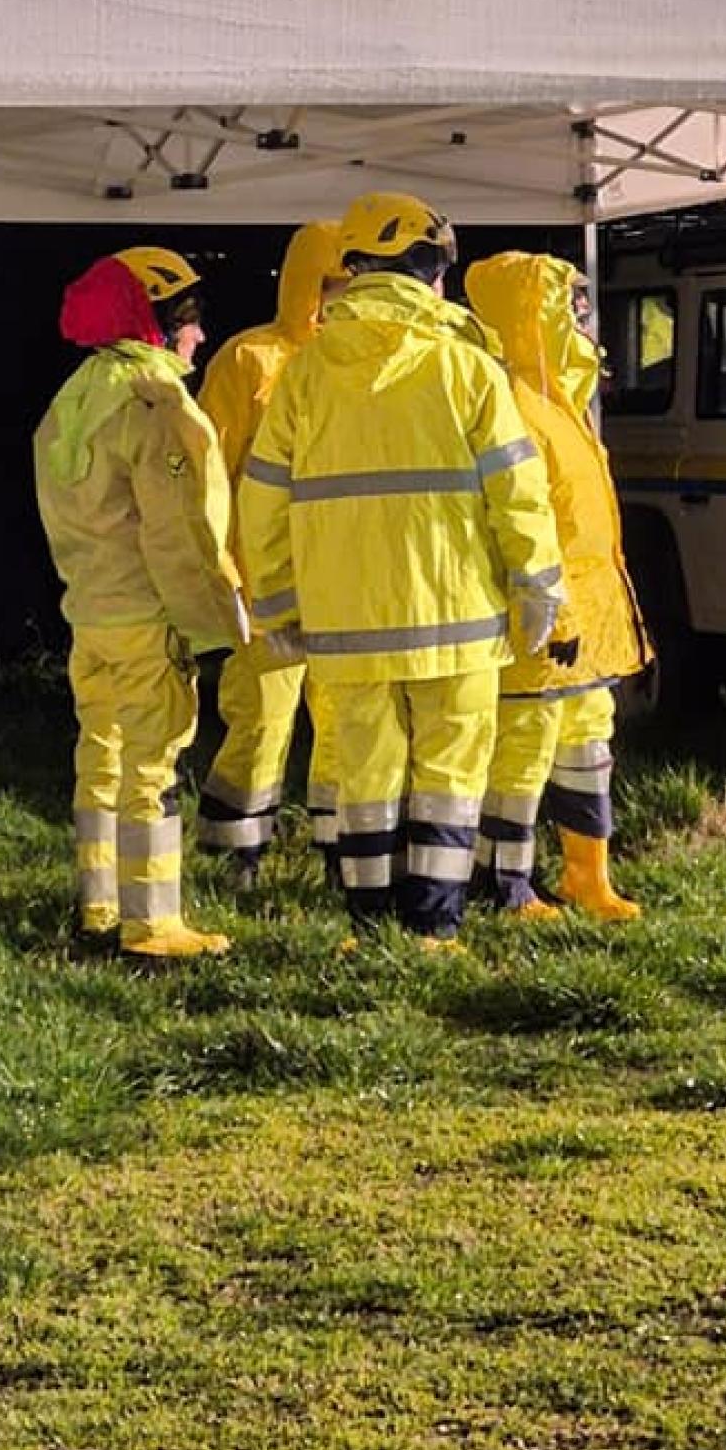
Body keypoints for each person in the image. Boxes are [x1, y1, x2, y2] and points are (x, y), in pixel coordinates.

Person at [237, 194, 564, 947]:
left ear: (355, 269)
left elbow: (264, 499)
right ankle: (432, 929)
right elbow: (519, 492)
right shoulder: (467, 366)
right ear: (430, 271)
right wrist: (538, 584)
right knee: (451, 773)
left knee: (366, 774)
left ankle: (368, 924)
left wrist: (279, 605)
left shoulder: (305, 371)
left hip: (345, 623)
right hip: (459, 620)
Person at [33, 245, 248, 960]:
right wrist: (213, 619)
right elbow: (180, 531)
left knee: (100, 758)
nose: (200, 335)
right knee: (151, 770)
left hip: (89, 616)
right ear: (157, 322)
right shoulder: (155, 404)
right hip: (147, 619)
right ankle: (152, 925)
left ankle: (98, 906)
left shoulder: (72, 398)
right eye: (190, 319)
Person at [465, 252, 652, 920]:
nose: (583, 319)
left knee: (587, 744)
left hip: (588, 622)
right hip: (542, 620)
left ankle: (586, 876)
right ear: (530, 315)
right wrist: (556, 611)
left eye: (582, 306)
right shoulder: (516, 405)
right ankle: (503, 884)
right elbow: (525, 522)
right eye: (568, 307)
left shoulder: (563, 403)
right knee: (523, 747)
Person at [195, 223, 346, 883]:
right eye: (334, 285)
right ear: (308, 284)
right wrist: (220, 564)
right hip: (265, 580)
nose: (342, 298)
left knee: (346, 723)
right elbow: (206, 470)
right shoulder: (248, 359)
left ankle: (345, 853)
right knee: (260, 717)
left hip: (344, 579)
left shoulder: (360, 364)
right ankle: (236, 853)